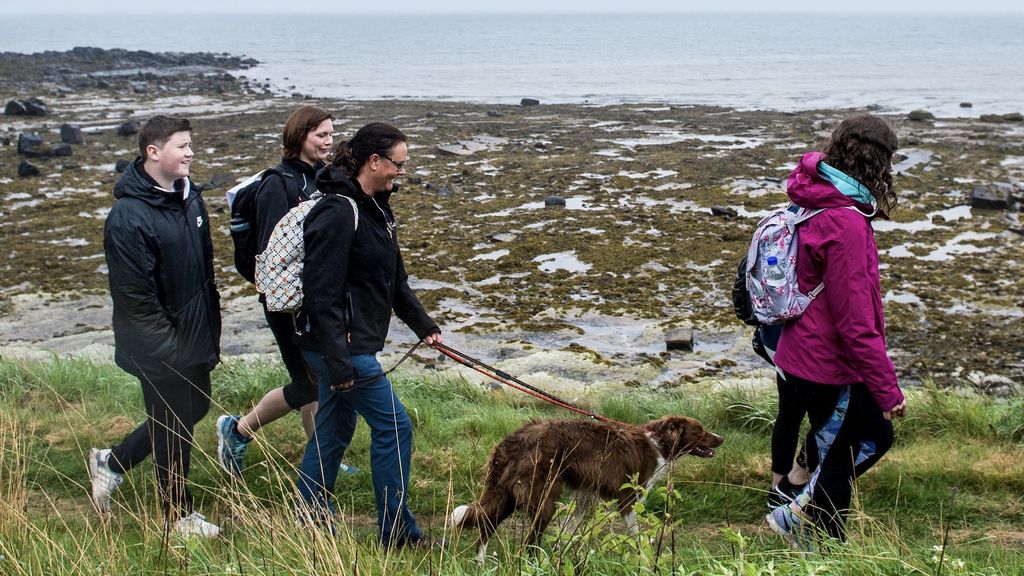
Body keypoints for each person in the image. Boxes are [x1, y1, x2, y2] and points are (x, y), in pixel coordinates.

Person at [294, 122, 442, 548]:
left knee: (333, 431)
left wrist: (425, 326)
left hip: (347, 347)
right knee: (395, 428)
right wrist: (340, 363)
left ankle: (308, 519)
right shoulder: (339, 211)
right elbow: (320, 295)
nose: (401, 172)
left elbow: (395, 281)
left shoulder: (378, 207)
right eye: (398, 164)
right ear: (374, 161)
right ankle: (397, 533)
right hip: (339, 348)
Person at [765, 114, 907, 548]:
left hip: (798, 351)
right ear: (877, 162)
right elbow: (856, 322)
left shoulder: (815, 195)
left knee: (854, 444)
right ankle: (812, 539)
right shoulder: (845, 222)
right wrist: (888, 391)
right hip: (828, 363)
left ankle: (795, 499)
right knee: (849, 453)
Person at [88, 115, 221, 538]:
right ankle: (175, 518)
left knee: (193, 409)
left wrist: (206, 333)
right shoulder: (128, 218)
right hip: (159, 346)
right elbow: (135, 300)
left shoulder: (190, 199)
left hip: (194, 335)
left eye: (189, 145)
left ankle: (110, 462)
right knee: (173, 423)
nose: (190, 153)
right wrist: (171, 351)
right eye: (181, 146)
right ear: (153, 152)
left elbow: (203, 274)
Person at [216, 105, 338, 476]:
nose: (328, 141)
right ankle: (237, 430)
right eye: (321, 135)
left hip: (311, 299)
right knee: (308, 384)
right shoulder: (277, 184)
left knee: (316, 381)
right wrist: (294, 299)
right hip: (285, 302)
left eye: (331, 134)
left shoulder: (320, 177)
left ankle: (317, 459)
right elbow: (273, 254)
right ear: (300, 136)